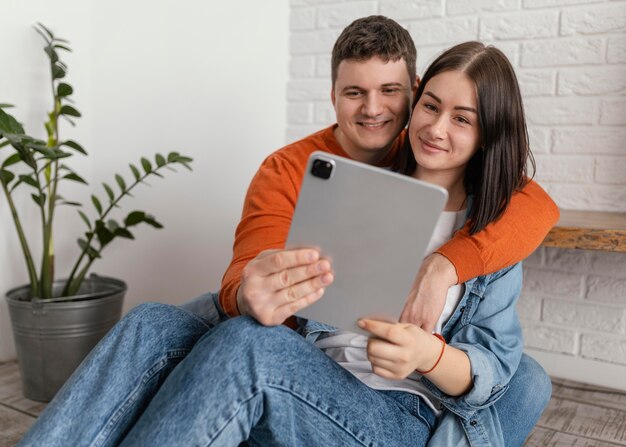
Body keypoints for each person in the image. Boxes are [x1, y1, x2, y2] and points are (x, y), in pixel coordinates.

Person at [19, 17, 555, 447]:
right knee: (153, 323)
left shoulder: (499, 221)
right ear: (334, 94)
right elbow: (248, 266)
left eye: (462, 118)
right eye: (432, 108)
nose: (433, 126)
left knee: (250, 349)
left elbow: (495, 355)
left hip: (392, 409)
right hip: (309, 359)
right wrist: (251, 287)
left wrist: (441, 287)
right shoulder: (330, 180)